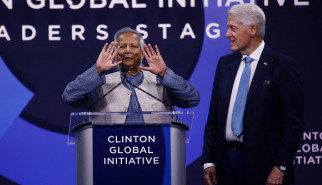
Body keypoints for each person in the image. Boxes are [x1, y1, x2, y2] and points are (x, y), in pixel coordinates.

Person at [202, 3, 303, 185]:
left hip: (265, 167)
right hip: (226, 162)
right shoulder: (225, 64)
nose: (227, 34)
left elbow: (293, 124)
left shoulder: (282, 66)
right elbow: (214, 118)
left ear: (252, 29)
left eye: (232, 28)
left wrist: (280, 167)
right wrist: (209, 160)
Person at [62, 27, 200, 123]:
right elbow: (69, 96)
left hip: (156, 156)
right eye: (122, 46)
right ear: (115, 52)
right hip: (109, 156)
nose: (128, 50)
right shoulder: (100, 83)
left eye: (133, 46)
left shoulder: (161, 81)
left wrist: (165, 74)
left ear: (141, 53)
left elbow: (192, 99)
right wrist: (97, 70)